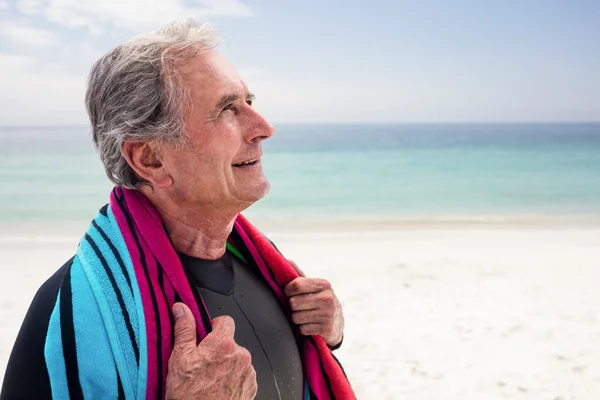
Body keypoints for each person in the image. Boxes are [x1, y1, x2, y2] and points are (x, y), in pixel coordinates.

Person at [1, 19, 354, 400]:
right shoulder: (71, 312)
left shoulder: (267, 267)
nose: (263, 127)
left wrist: (330, 332)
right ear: (151, 159)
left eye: (248, 102)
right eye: (227, 110)